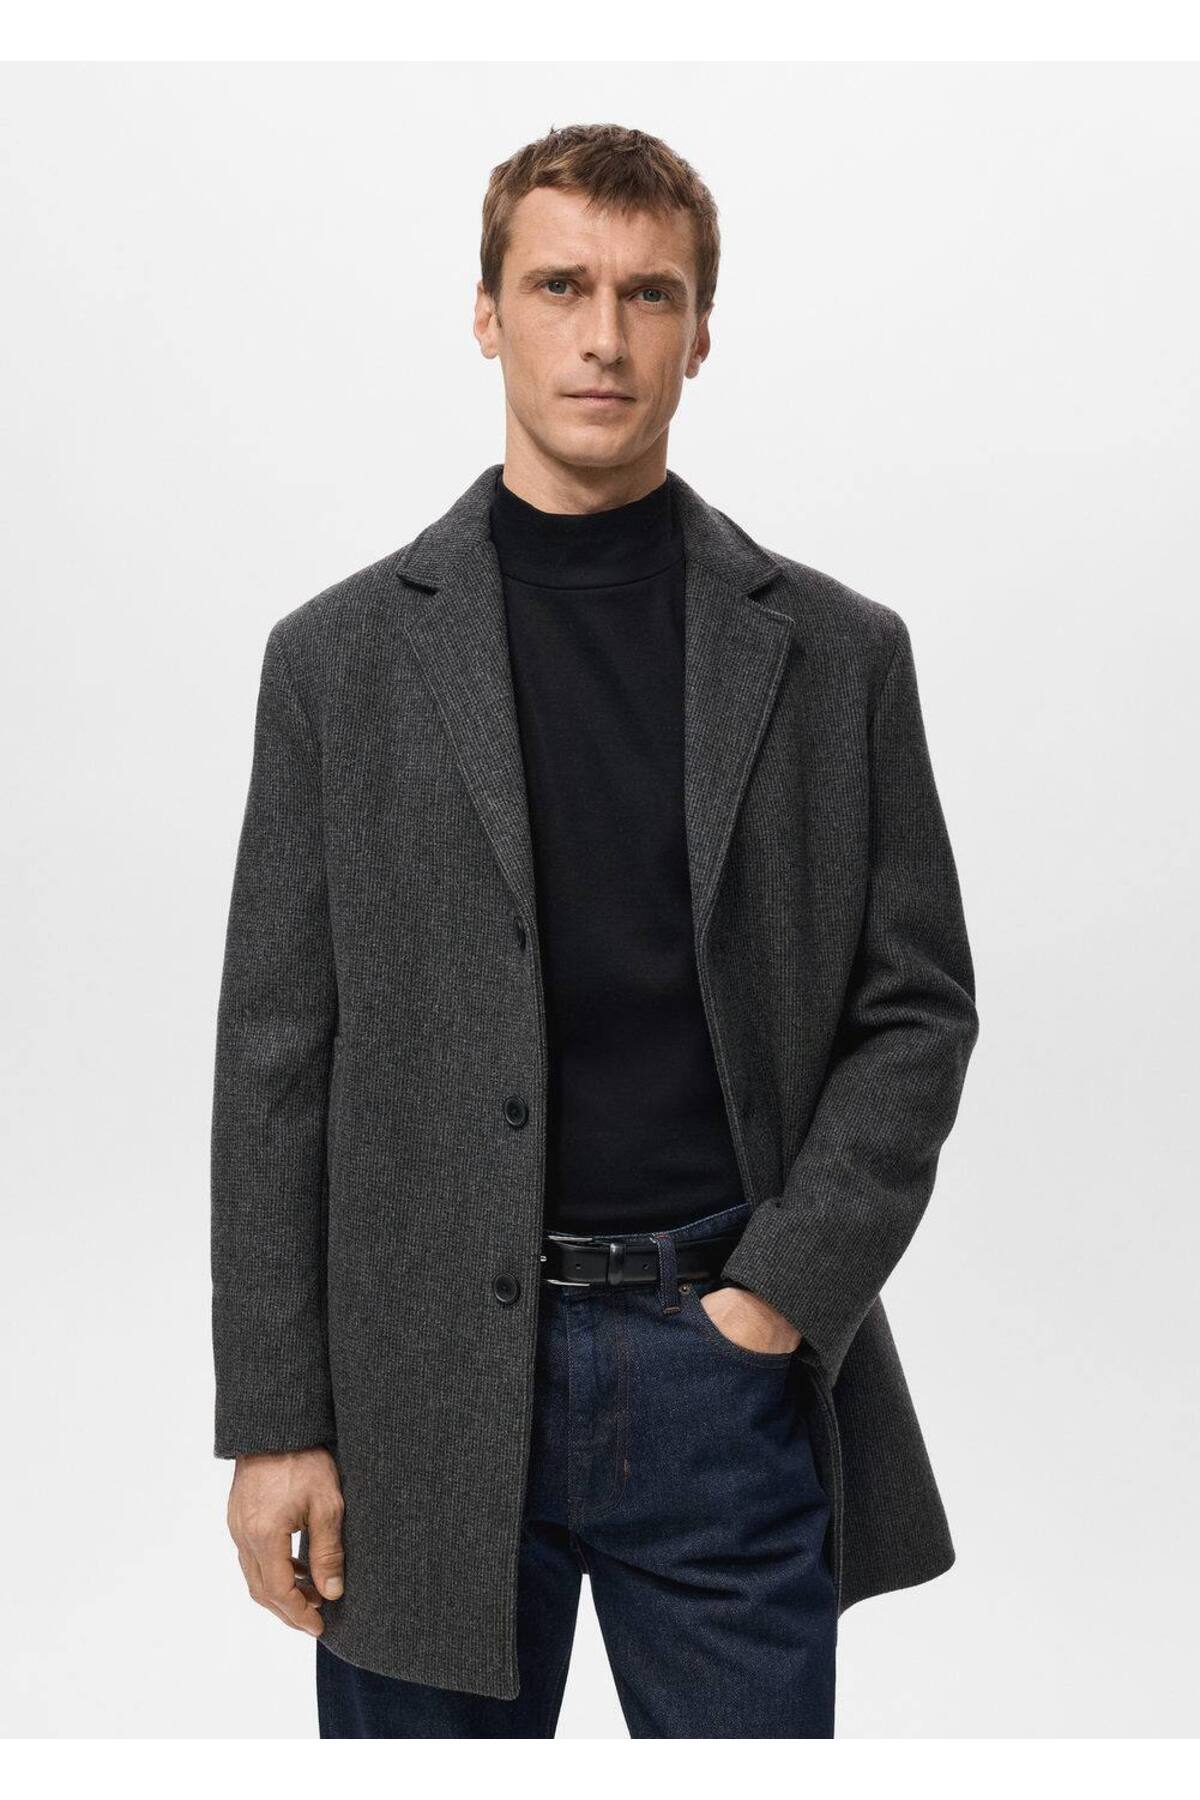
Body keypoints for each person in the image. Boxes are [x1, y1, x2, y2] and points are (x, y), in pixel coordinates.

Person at [211, 121, 980, 1739]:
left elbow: (916, 1007)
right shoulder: (338, 662)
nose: (604, 336)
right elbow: (277, 1060)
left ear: (701, 332)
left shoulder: (838, 654)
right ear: (487, 313)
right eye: (561, 286)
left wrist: (779, 1298)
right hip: (419, 1390)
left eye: (651, 294)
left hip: (720, 1372)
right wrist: (275, 1420)